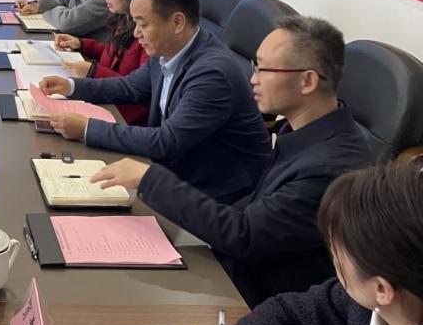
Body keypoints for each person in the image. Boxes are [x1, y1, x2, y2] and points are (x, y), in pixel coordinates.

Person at [91, 16, 371, 306]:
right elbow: (253, 209)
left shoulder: (330, 168)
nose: (253, 79)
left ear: (307, 81)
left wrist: (150, 179)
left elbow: (244, 235)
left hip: (260, 299)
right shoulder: (304, 132)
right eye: (254, 66)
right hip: (238, 269)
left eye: (264, 69)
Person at [38, 0, 270, 203]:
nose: (136, 33)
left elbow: (167, 141)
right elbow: (130, 87)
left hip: (218, 193)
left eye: (143, 24)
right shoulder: (167, 49)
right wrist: (71, 86)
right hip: (177, 167)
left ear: (177, 23)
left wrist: (87, 128)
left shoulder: (212, 74)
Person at [197, 161, 423, 325]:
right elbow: (291, 313)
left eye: (337, 252)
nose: (333, 259)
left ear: (382, 289)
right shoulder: (364, 303)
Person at [52, 0, 156, 125]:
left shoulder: (148, 35)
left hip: (125, 117)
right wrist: (82, 44)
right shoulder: (123, 19)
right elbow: (111, 54)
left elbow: (138, 89)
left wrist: (93, 71)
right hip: (104, 100)